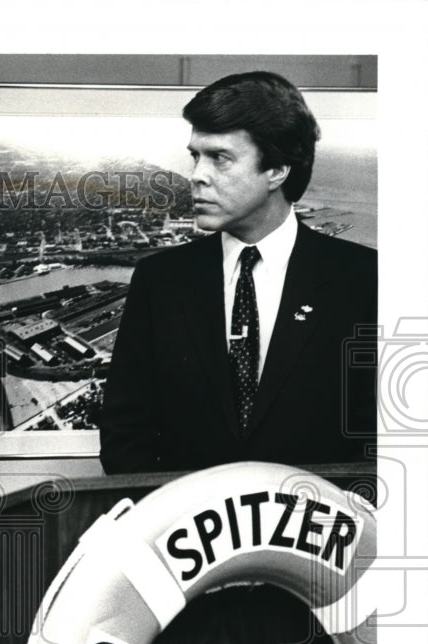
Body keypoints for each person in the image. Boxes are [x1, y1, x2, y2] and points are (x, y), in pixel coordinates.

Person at [99, 71, 377, 474]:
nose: (196, 174)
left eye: (220, 158)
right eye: (196, 155)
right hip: (187, 530)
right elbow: (125, 430)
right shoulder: (159, 280)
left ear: (277, 170)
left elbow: (379, 438)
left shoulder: (364, 280)